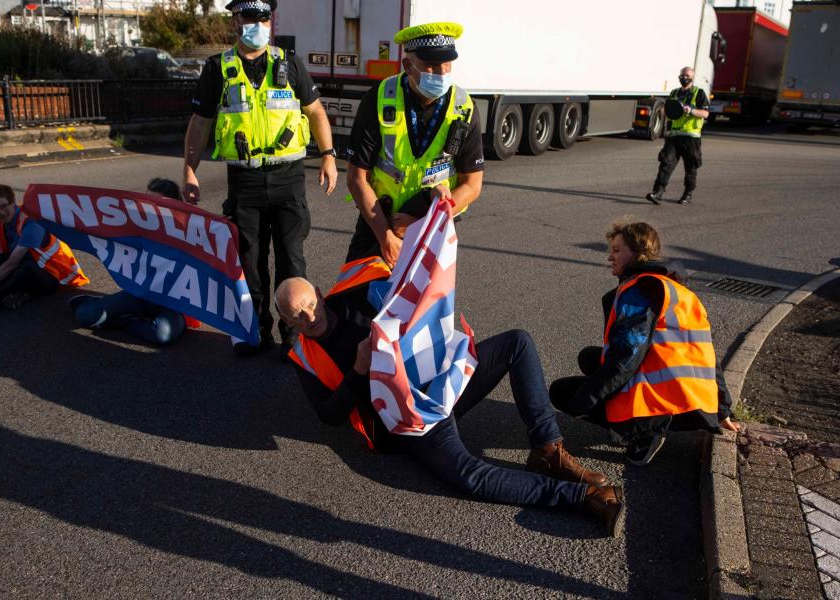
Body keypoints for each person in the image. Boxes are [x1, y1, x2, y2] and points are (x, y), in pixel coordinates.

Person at [274, 268, 626, 537]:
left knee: (517, 343)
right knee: (468, 476)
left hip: (441, 382)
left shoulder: (357, 294)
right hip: (405, 421)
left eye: (311, 304)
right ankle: (583, 496)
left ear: (319, 294)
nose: (310, 316)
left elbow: (413, 272)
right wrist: (357, 370)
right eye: (298, 315)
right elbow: (329, 415)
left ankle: (548, 451)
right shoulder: (302, 357)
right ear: (286, 321)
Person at [182, 0, 338, 360]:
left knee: (291, 261)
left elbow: (314, 111)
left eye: (262, 18)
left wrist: (328, 156)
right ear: (235, 21)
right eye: (249, 18)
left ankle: (296, 337)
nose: (257, 24)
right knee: (249, 263)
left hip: (287, 179)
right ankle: (253, 331)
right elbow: (201, 122)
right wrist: (189, 169)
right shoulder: (217, 68)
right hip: (245, 182)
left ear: (271, 21)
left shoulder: (290, 63)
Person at [549, 220, 739, 466]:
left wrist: (586, 400)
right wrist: (722, 409)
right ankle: (648, 421)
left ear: (638, 252)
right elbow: (709, 358)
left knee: (561, 392)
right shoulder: (678, 290)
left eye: (617, 250)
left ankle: (644, 431)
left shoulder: (641, 288)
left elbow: (627, 355)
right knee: (590, 357)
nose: (610, 257)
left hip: (663, 402)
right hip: (695, 401)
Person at [345, 22, 483, 265]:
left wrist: (421, 223)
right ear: (408, 65)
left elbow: (472, 184)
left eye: (447, 64)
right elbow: (357, 177)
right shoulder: (379, 98)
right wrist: (386, 236)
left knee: (425, 303)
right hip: (379, 222)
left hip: (434, 227)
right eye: (430, 65)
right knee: (354, 298)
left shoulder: (464, 107)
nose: (441, 73)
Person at [68, 178, 191, 346]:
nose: (147, 206)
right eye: (146, 200)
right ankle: (97, 303)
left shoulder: (187, 232)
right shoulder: (137, 225)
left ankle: (126, 321)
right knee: (85, 316)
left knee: (162, 335)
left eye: (154, 202)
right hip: (140, 294)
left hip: (171, 303)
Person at [0, 184, 88, 309]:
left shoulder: (32, 223)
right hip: (28, 262)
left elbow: (12, 263)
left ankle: (18, 294)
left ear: (13, 202)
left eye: (4, 206)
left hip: (54, 276)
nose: (1, 212)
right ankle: (16, 293)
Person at [646, 67, 710, 206]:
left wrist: (691, 110)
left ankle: (688, 193)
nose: (684, 77)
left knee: (690, 167)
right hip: (674, 136)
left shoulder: (698, 93)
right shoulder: (674, 92)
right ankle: (657, 193)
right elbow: (668, 112)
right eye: (682, 75)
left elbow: (705, 114)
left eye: (687, 75)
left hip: (691, 137)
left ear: (692, 77)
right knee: (665, 164)